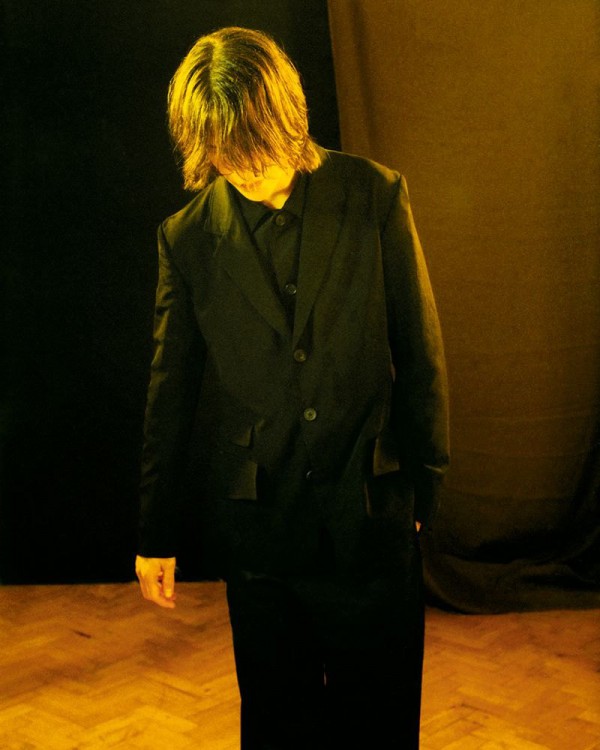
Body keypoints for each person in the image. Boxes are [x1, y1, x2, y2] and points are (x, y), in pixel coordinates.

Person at [135, 26, 449, 750]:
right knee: (278, 727)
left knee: (380, 724)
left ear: (286, 114)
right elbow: (169, 391)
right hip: (261, 535)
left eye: (254, 145)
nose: (246, 168)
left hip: (372, 514)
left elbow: (421, 353)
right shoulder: (186, 238)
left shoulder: (374, 194)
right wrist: (155, 533)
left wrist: (425, 491)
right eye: (226, 152)